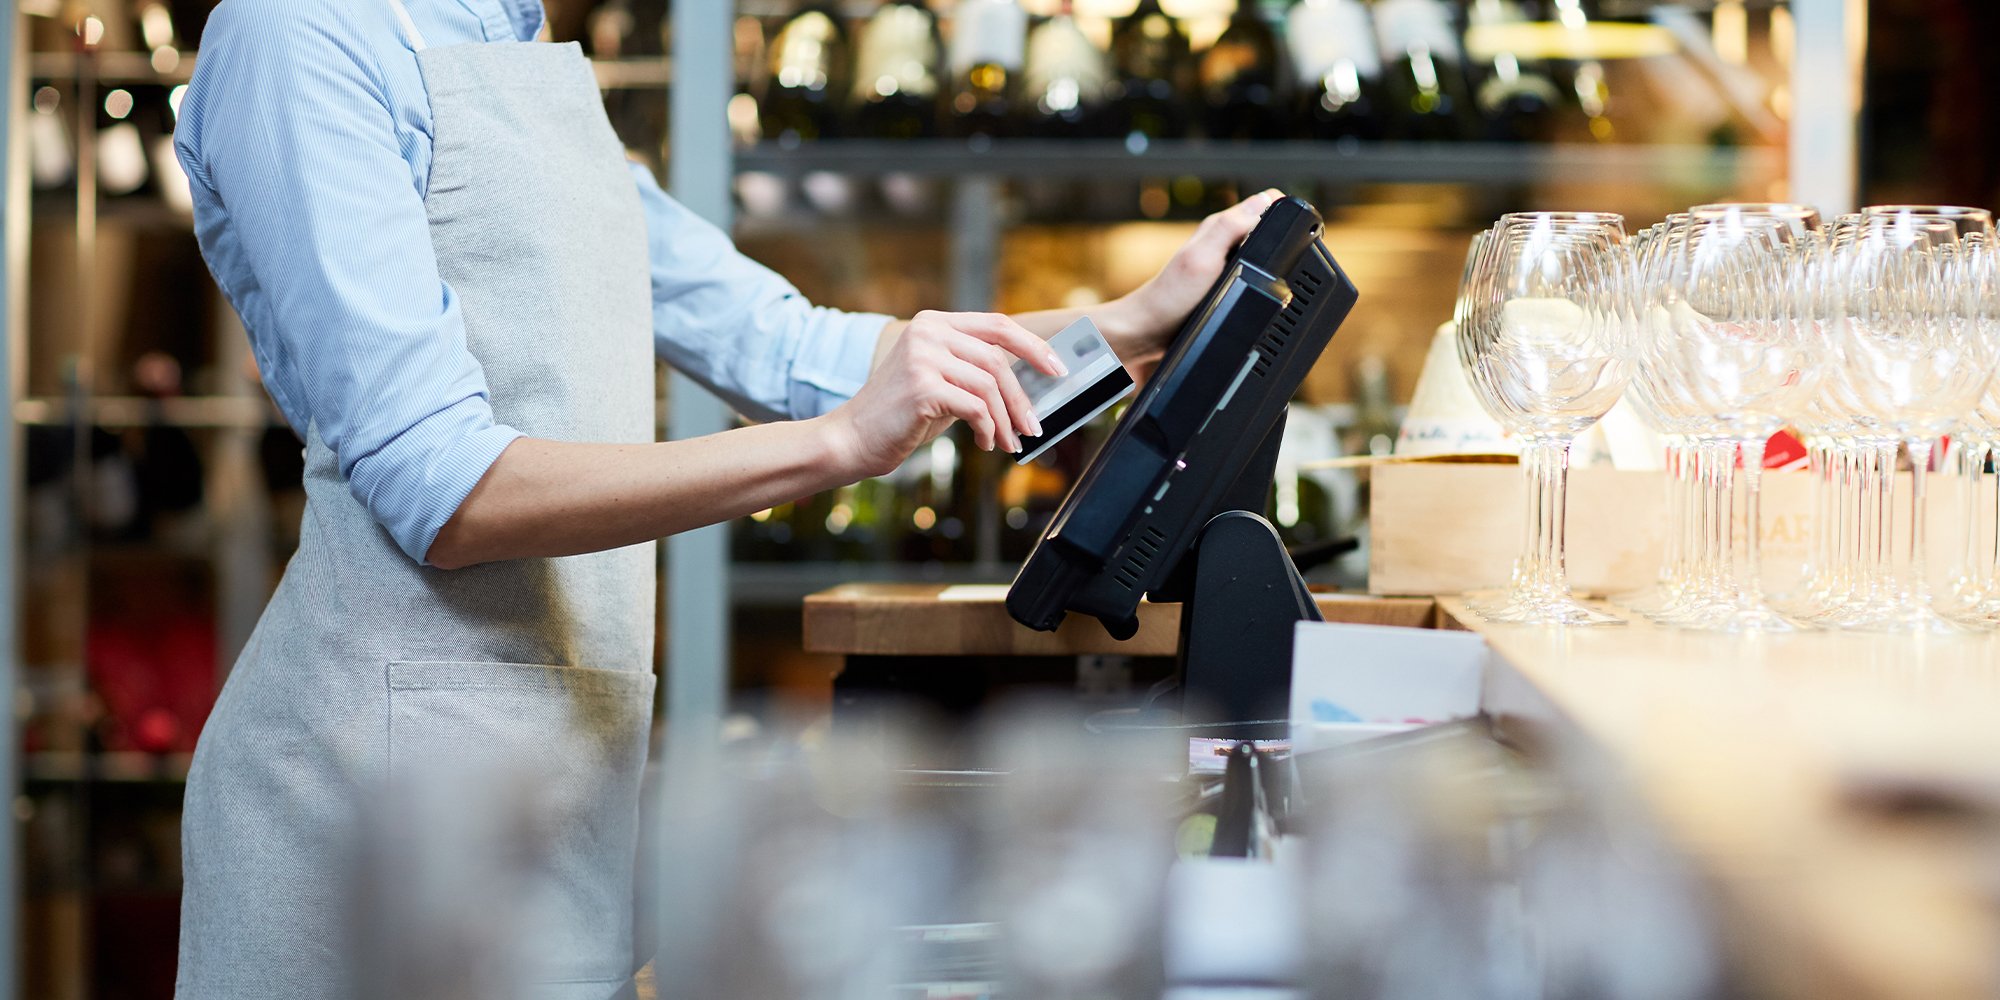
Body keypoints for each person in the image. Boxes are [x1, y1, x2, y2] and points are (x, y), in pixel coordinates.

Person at [169, 0, 1283, 996]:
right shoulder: (297, 33)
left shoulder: (507, 42)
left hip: (560, 769)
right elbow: (447, 488)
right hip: (369, 798)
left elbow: (791, 346)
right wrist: (841, 444)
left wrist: (1132, 322)